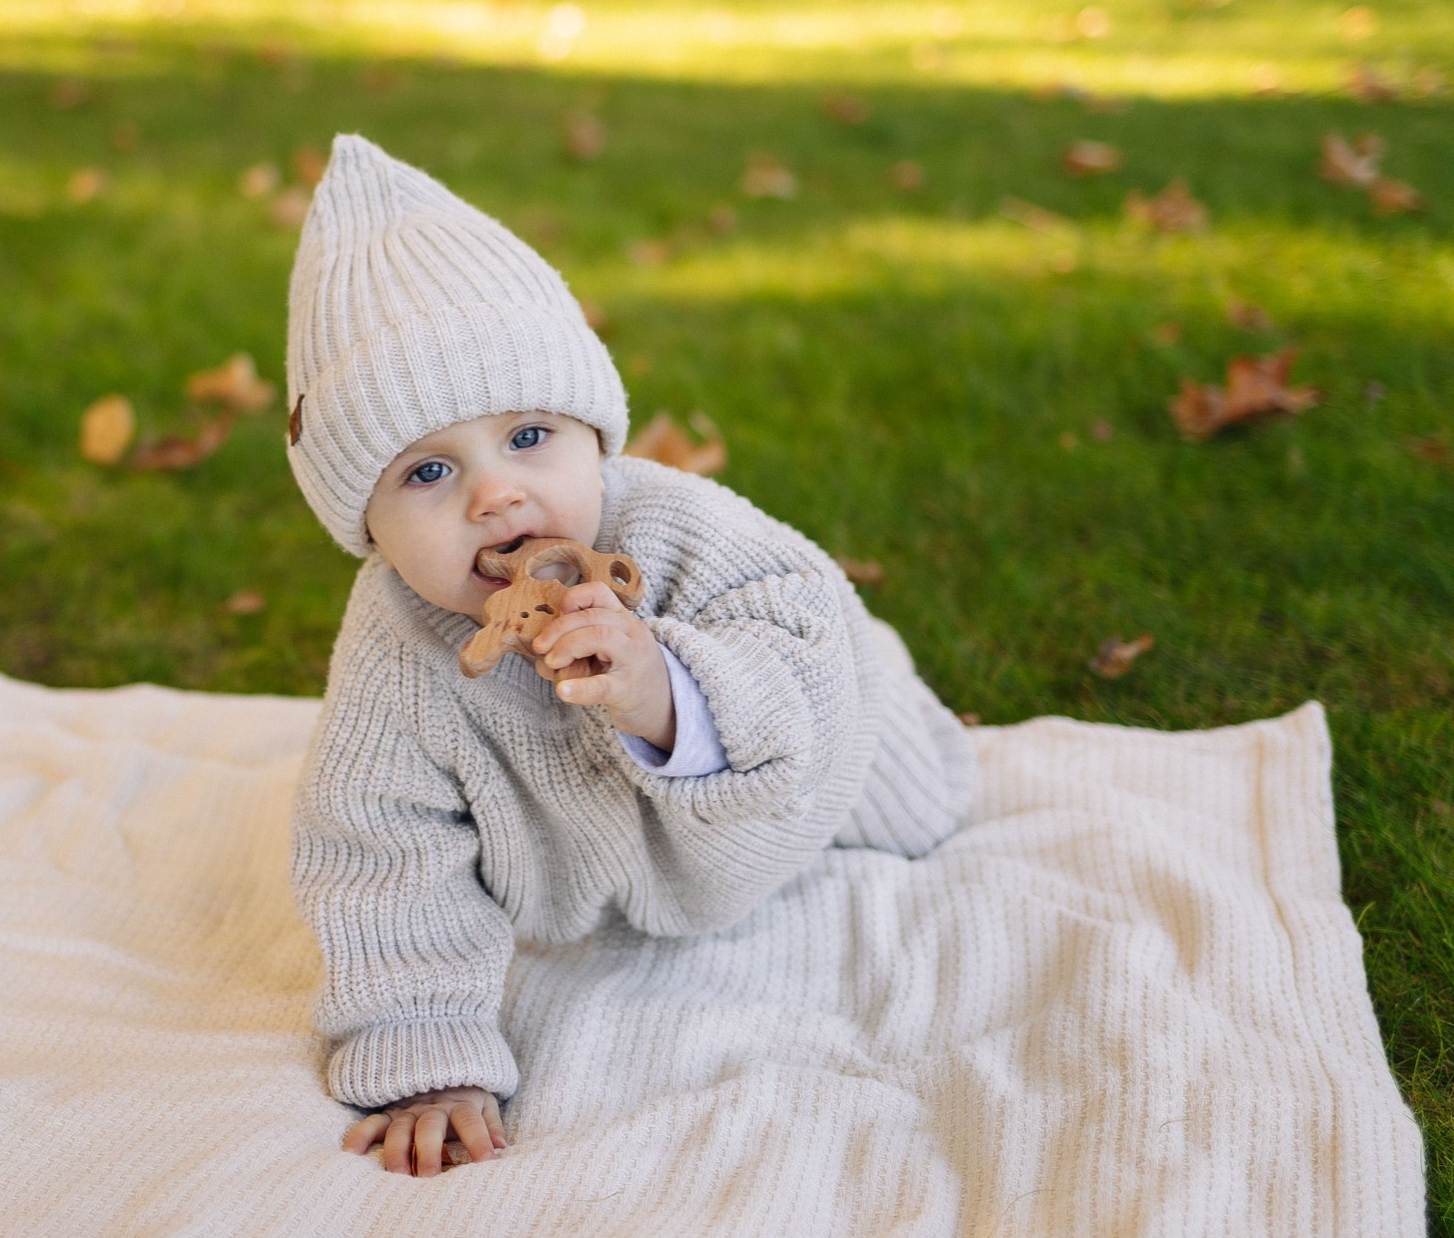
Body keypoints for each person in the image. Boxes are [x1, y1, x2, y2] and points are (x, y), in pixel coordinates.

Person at [286, 136, 978, 1177]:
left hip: (791, 775)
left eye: (528, 437)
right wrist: (424, 1052)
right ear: (366, 528)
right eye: (427, 472)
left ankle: (890, 706)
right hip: (582, 864)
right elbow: (377, 854)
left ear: (594, 437)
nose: (496, 495)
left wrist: (662, 685)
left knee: (911, 801)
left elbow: (800, 639)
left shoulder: (679, 530)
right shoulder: (396, 646)